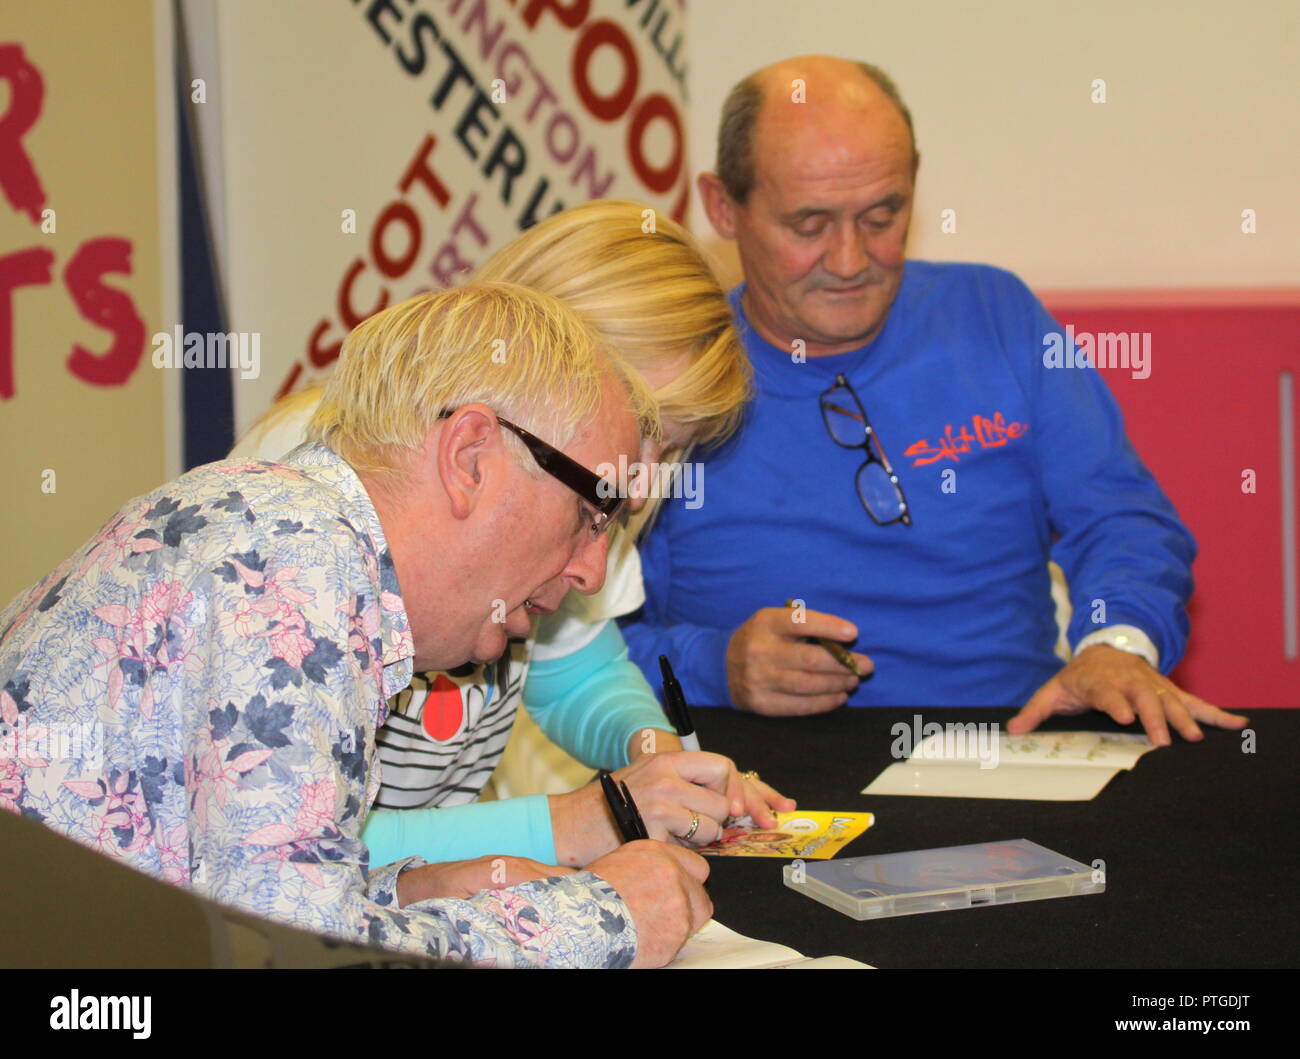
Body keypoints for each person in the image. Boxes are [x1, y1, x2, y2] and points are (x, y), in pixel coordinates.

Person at [0, 282, 709, 968]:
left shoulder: (284, 528)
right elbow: (295, 956)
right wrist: (604, 918)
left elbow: (243, 895)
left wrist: (410, 889)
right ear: (470, 459)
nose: (590, 569)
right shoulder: (293, 567)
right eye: (592, 516)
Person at [620, 55, 1248, 747]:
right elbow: (574, 654)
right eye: (808, 225)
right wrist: (715, 667)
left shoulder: (995, 313)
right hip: (765, 786)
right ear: (723, 208)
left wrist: (1115, 643)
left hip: (1018, 748)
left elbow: (1122, 518)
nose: (852, 259)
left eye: (883, 215)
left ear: (915, 179)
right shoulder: (667, 378)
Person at [231, 201, 795, 872]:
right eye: (635, 430)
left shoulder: (581, 513)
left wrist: (655, 753)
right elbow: (292, 850)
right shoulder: (304, 516)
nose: (638, 489)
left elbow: (576, 665)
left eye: (669, 450)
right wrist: (586, 819)